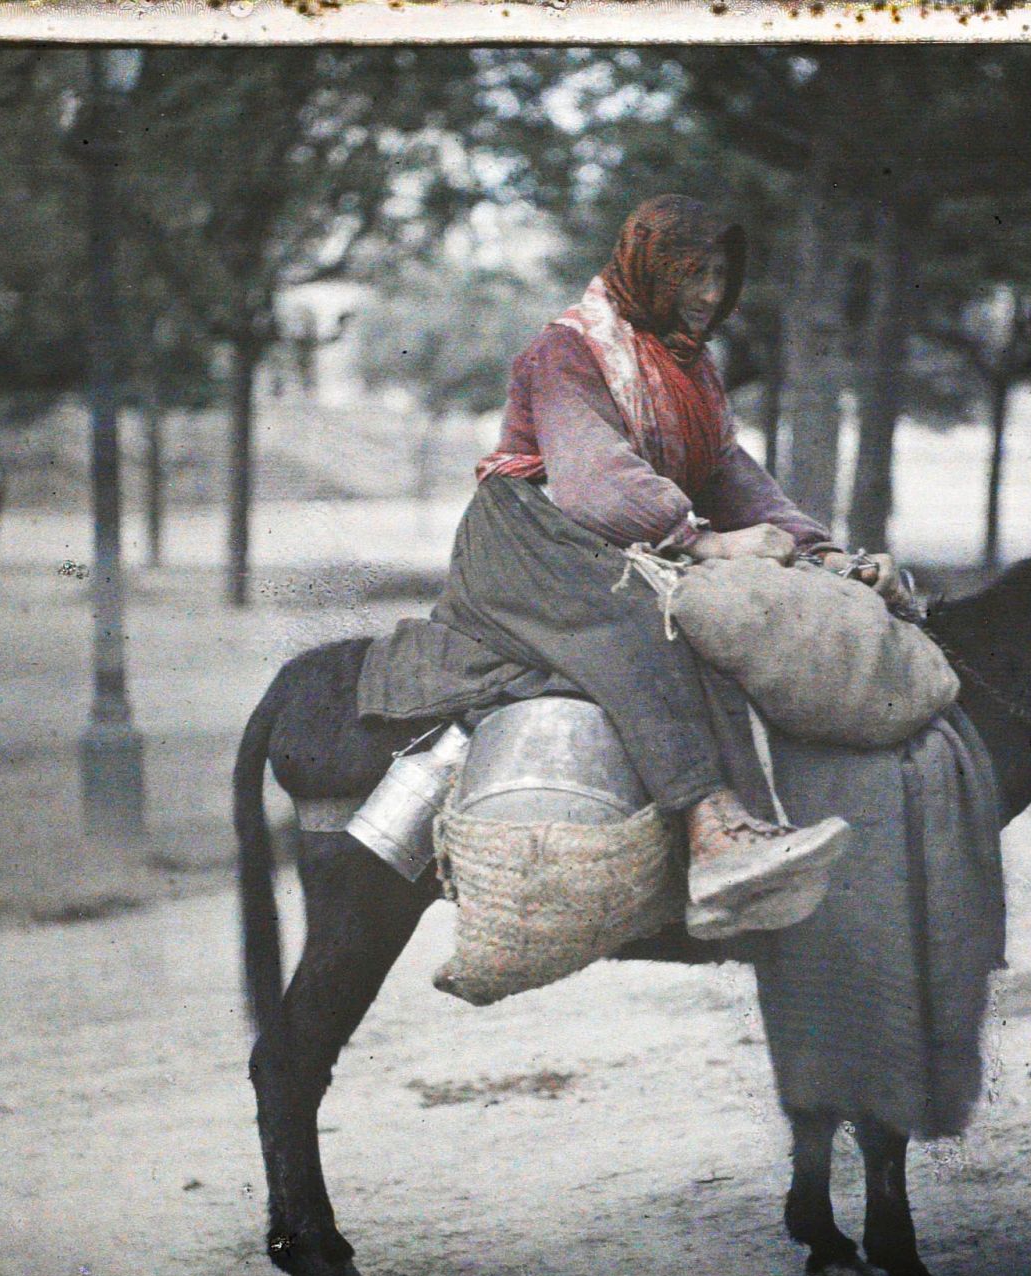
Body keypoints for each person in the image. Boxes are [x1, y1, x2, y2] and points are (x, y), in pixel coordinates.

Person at [359, 195, 904, 938]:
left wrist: (821, 553)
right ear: (650, 269)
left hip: (617, 536)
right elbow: (591, 479)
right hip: (531, 537)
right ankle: (711, 830)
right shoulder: (570, 351)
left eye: (720, 275)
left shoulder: (689, 371)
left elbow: (735, 480)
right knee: (648, 624)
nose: (711, 295)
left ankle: (752, 820)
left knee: (729, 618)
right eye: (692, 275)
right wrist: (704, 541)